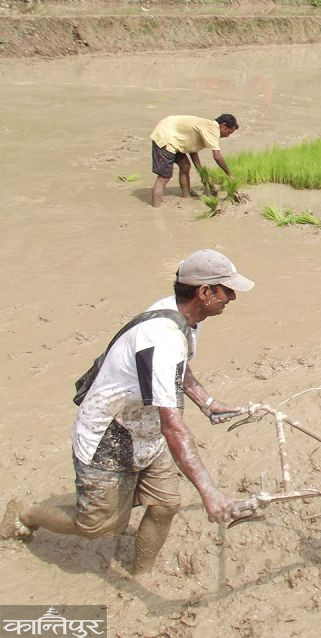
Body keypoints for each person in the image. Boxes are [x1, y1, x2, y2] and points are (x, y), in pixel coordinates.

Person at [0, 250, 254, 573]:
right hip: (109, 432)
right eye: (226, 289)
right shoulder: (161, 338)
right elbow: (174, 428)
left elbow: (180, 368)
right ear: (204, 293)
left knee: (166, 504)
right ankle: (26, 513)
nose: (232, 297)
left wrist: (205, 402)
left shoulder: (186, 318)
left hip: (144, 428)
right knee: (97, 525)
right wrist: (210, 492)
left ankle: (141, 575)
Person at [150, 114, 238, 208]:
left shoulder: (205, 128)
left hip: (174, 137)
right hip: (165, 136)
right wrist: (229, 174)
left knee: (185, 166)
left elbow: (193, 152)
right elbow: (217, 157)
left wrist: (205, 179)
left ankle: (186, 196)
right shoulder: (213, 129)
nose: (228, 136)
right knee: (164, 177)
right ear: (223, 125)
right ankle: (155, 209)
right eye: (229, 132)